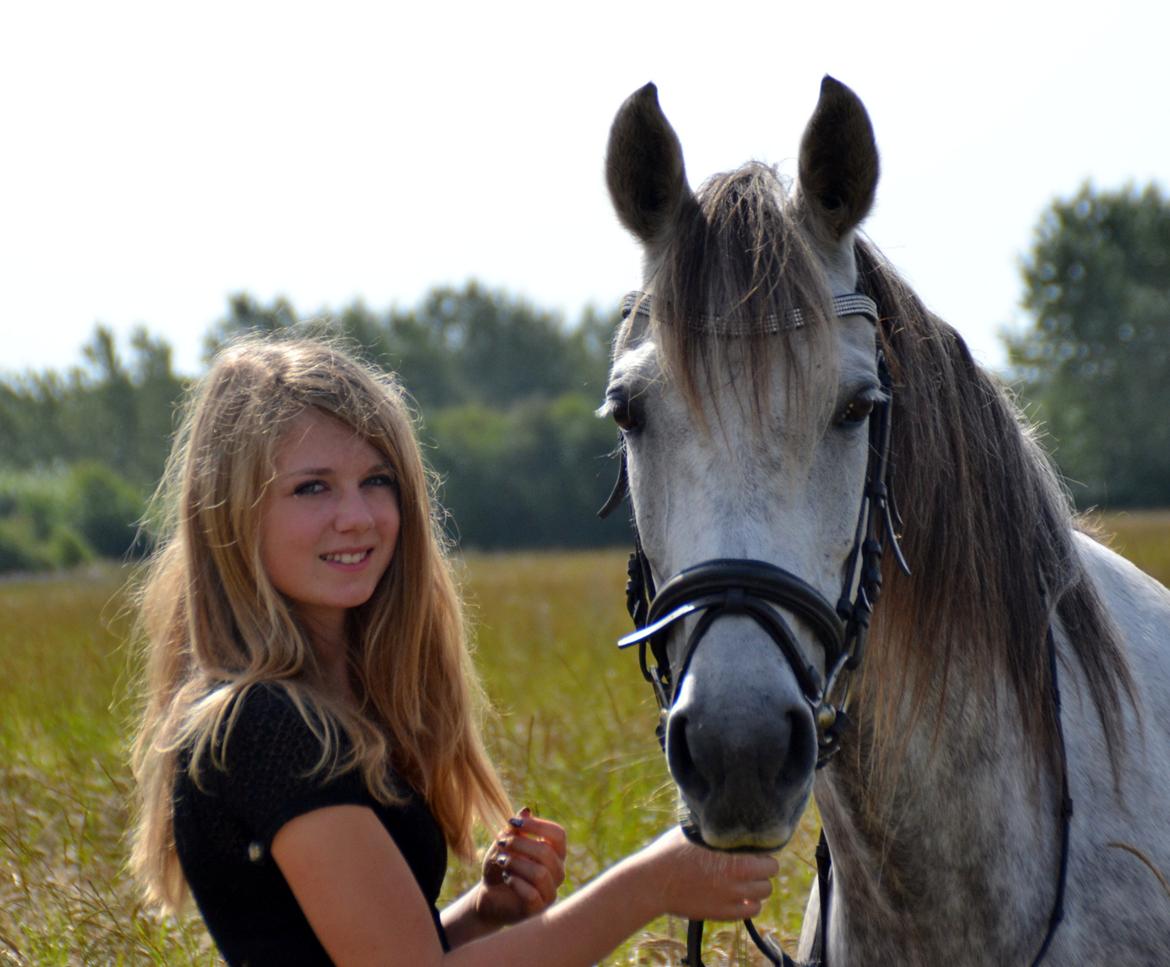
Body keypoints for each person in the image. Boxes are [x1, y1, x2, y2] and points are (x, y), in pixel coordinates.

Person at [130, 335, 777, 966]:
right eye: (313, 487)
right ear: (230, 513)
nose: (357, 515)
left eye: (377, 480)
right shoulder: (266, 726)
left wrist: (484, 914)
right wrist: (649, 885)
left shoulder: (325, 708)